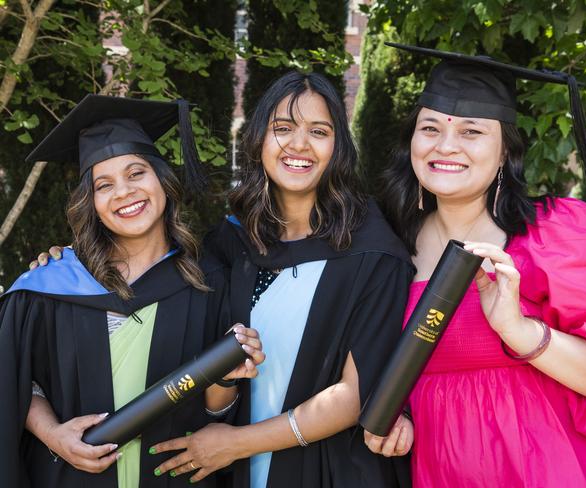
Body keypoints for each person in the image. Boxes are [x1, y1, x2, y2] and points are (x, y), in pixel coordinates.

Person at [364, 44, 586, 487]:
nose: (446, 145)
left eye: (472, 132)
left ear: (504, 153)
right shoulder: (387, 248)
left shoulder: (555, 231)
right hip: (441, 470)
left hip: (553, 467)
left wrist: (518, 329)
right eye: (430, 127)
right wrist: (397, 414)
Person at [148, 71, 414, 487]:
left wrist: (236, 444)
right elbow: (219, 391)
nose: (299, 144)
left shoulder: (372, 249)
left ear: (338, 147)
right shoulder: (229, 244)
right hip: (239, 468)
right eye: (283, 128)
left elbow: (358, 394)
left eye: (319, 131)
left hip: (331, 470)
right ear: (259, 140)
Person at [0, 95, 264, 488]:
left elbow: (217, 415)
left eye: (136, 173)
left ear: (162, 180)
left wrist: (226, 381)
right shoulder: (51, 285)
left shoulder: (209, 282)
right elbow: (14, 378)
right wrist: (53, 434)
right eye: (104, 185)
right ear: (91, 204)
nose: (124, 192)